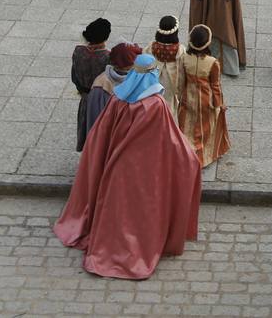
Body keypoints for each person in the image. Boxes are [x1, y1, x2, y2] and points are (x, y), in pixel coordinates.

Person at [53, 53, 202, 280]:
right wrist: (190, 157)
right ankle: (138, 248)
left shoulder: (118, 97)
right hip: (145, 171)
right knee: (141, 213)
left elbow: (101, 133)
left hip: (116, 166)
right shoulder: (156, 104)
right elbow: (170, 139)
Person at [176, 25, 231, 168]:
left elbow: (181, 81)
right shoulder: (212, 62)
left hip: (188, 97)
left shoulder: (184, 58)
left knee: (188, 126)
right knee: (204, 128)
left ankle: (186, 153)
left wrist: (179, 96)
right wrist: (219, 104)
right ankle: (201, 156)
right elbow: (216, 86)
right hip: (206, 100)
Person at [71, 18, 111, 151]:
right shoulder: (108, 57)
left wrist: (81, 90)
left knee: (87, 127)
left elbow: (74, 76)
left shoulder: (78, 52)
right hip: (103, 99)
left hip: (86, 97)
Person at [149, 16, 182, 114]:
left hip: (155, 80)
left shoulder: (151, 47)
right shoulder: (179, 50)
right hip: (171, 81)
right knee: (170, 105)